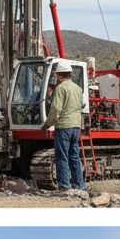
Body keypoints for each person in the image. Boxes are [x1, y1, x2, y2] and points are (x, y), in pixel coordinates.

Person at [41, 60, 85, 191]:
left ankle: (64, 186)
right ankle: (79, 185)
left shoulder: (60, 88)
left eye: (56, 75)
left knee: (62, 157)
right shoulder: (78, 89)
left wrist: (47, 125)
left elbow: (56, 109)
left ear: (59, 75)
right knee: (75, 156)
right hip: (75, 127)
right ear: (69, 74)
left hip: (64, 127)